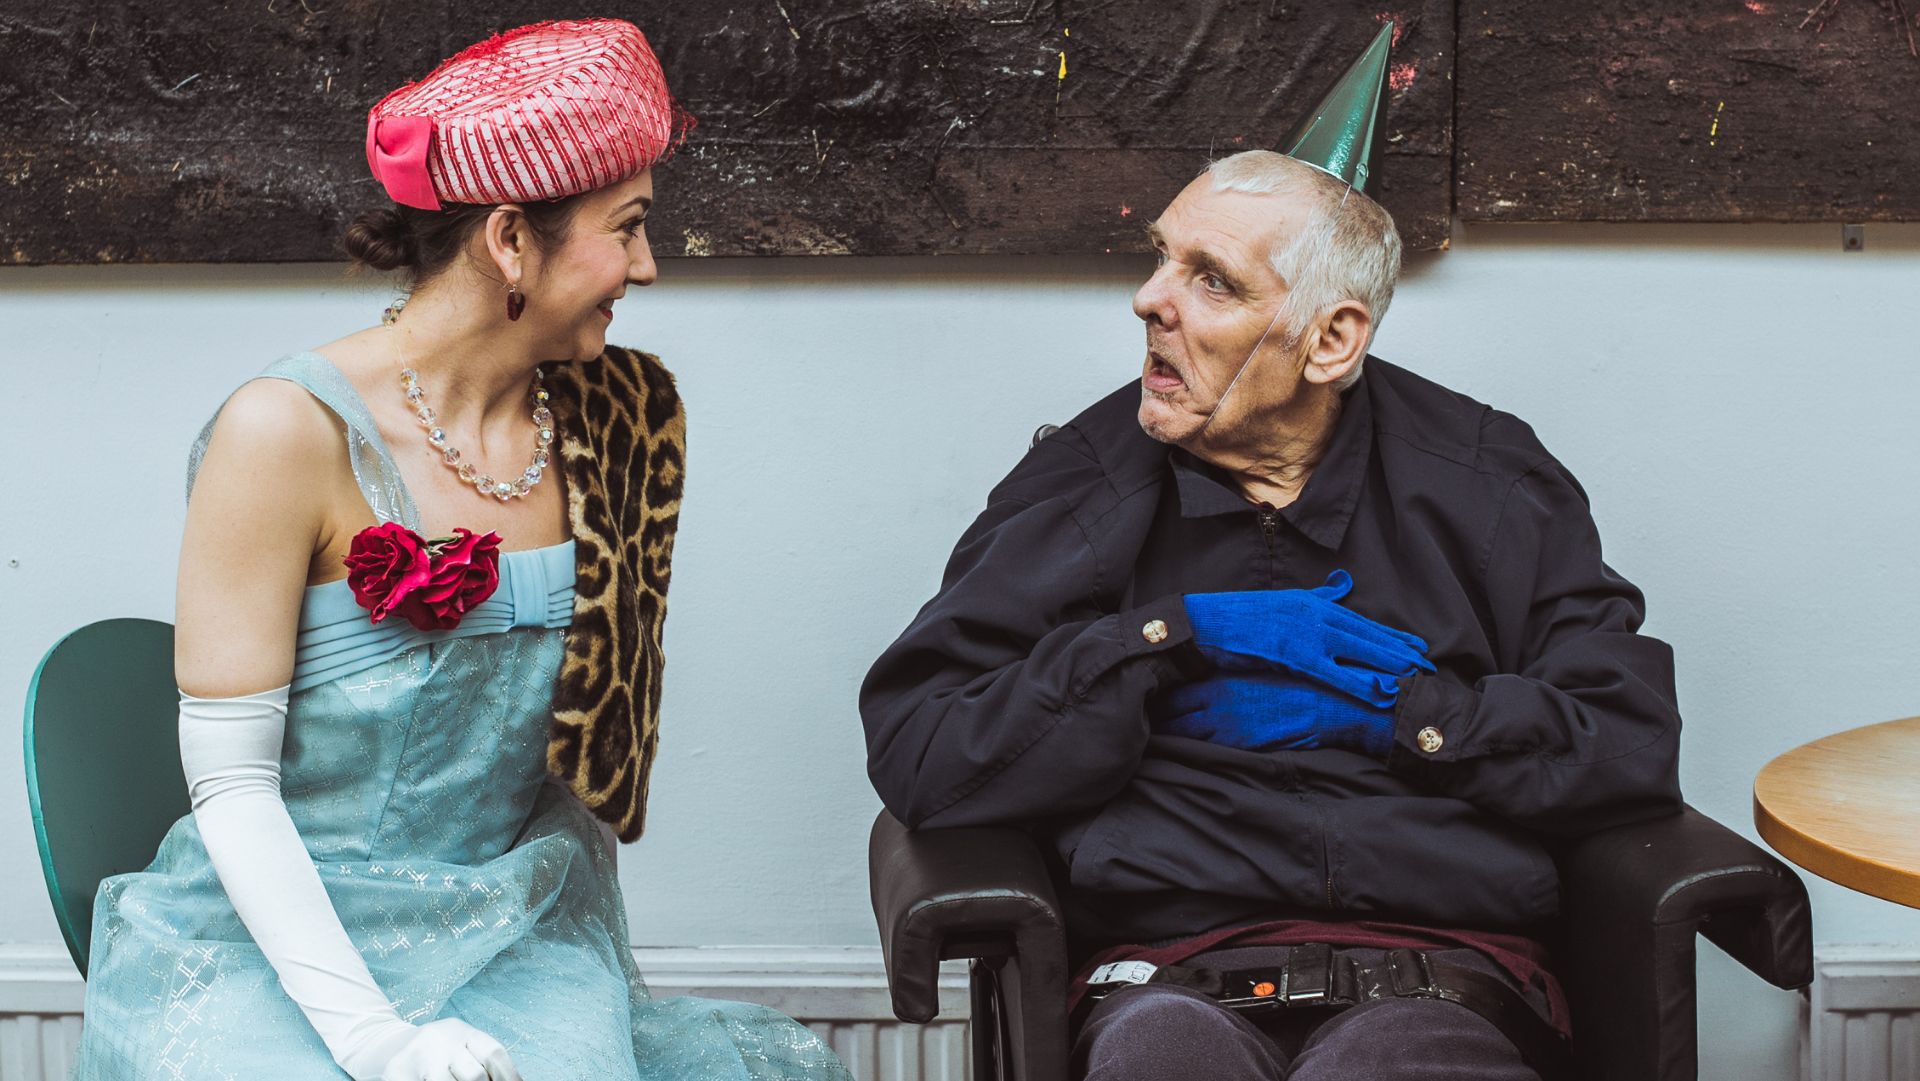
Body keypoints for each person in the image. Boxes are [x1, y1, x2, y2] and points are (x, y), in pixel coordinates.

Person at [858, 29, 1681, 1081]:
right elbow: (924, 750)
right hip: (1166, 975)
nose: (1150, 299)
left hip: (1440, 974)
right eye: (1163, 257)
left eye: (1212, 281)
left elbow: (1628, 742)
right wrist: (1168, 635)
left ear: (1330, 341)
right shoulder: (1086, 481)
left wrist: (1410, 717)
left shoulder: (1487, 482)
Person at [73, 20, 852, 1081]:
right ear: (509, 239)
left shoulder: (615, 423)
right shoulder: (284, 430)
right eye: (625, 229)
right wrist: (377, 1042)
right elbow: (232, 790)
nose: (648, 267)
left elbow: (581, 753)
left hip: (508, 933)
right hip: (269, 950)